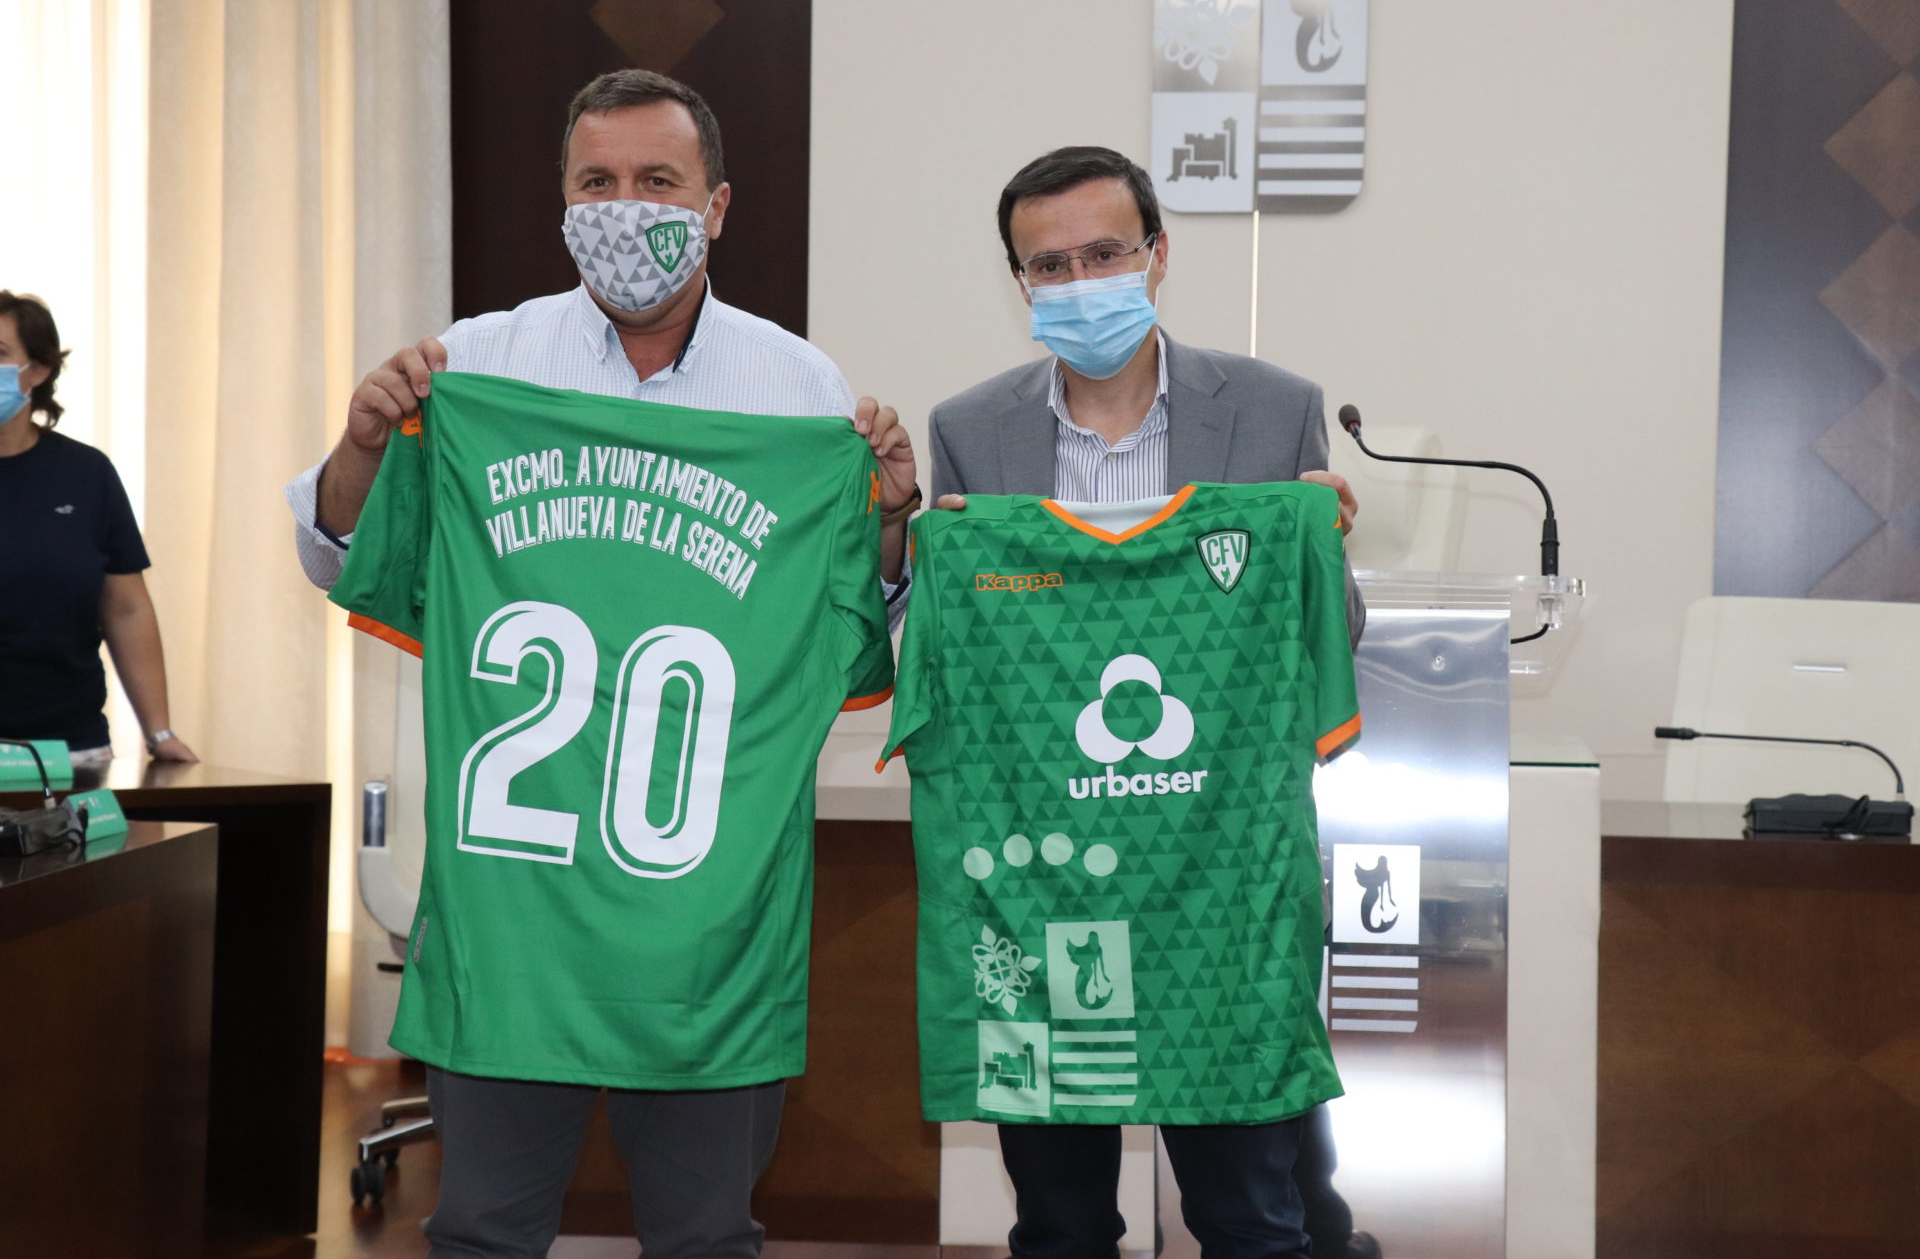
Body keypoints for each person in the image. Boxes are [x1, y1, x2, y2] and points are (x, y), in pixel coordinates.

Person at [283, 70, 915, 1259]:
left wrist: (887, 519)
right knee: (481, 1231)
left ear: (716, 205)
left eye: (658, 181)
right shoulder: (476, 367)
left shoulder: (801, 390)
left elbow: (856, 636)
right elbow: (342, 559)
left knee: (706, 1236)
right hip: (511, 922)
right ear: (565, 202)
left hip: (708, 931)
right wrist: (364, 443)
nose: (626, 208)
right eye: (597, 182)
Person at [925, 147, 1375, 1259]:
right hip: (1045, 888)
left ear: (1158, 254)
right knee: (1061, 1222)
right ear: (1020, 281)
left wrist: (1320, 551)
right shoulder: (971, 430)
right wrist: (911, 544)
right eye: (1050, 265)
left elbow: (1327, 639)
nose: (1080, 282)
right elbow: (956, 655)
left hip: (1219, 886)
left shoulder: (1273, 409)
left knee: (1250, 1217)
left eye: (1105, 252)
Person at [0, 290, 198, 770]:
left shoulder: (85, 474)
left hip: (70, 753)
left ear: (38, 369)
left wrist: (160, 732)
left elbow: (127, 609)